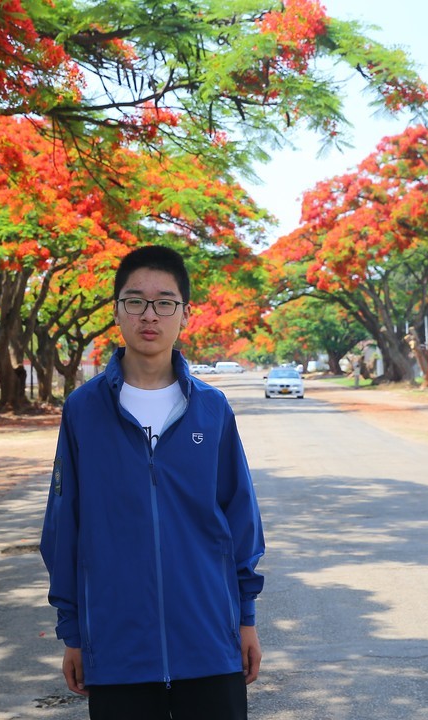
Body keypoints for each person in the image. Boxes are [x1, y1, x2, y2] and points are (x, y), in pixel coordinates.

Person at [40, 245, 265, 720]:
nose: (150, 314)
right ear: (116, 311)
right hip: (118, 651)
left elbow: (240, 519)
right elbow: (65, 527)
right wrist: (73, 633)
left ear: (184, 313)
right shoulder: (84, 411)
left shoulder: (212, 408)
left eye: (165, 302)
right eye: (134, 300)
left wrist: (245, 618)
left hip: (209, 643)